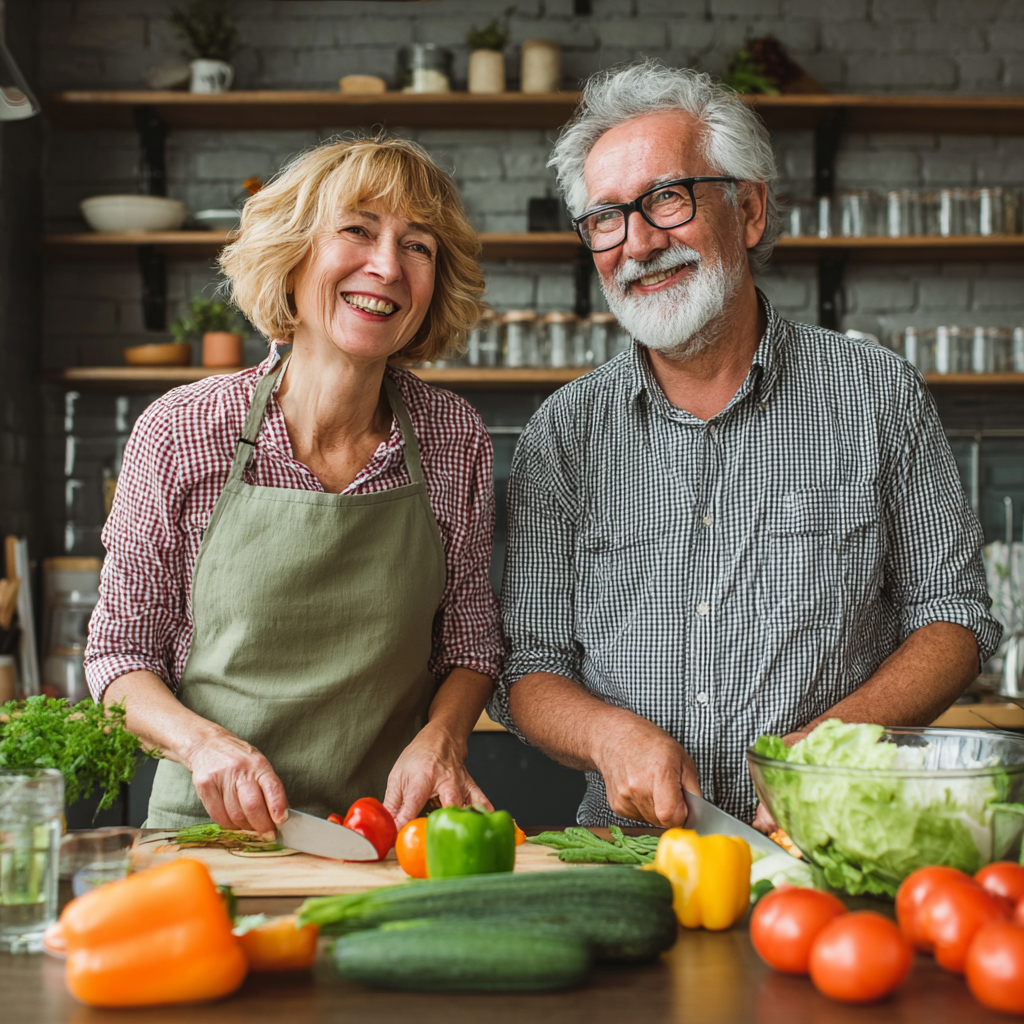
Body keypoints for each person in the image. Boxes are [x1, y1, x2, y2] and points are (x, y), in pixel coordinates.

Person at [490, 62, 1001, 829]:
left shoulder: (878, 394)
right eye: (606, 217)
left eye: (667, 197)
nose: (637, 243)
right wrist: (606, 735)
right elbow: (529, 666)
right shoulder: (561, 434)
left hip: (827, 842)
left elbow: (953, 616)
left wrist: (827, 750)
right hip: (633, 853)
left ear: (750, 210)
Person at [86, 136, 504, 836]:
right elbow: (119, 657)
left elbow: (470, 645)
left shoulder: (453, 436)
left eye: (418, 246)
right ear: (294, 252)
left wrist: (443, 737)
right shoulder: (184, 429)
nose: (387, 266)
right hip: (209, 833)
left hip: (383, 833)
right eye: (357, 230)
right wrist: (203, 745)